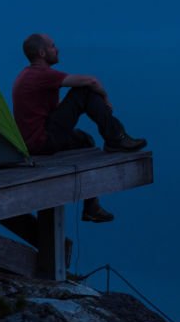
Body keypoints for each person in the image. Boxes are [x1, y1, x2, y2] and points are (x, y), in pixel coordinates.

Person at [12, 33, 147, 223]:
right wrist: (105, 98)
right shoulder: (41, 75)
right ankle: (117, 138)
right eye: (53, 46)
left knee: (84, 140)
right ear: (42, 53)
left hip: (33, 141)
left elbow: (51, 113)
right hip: (41, 141)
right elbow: (91, 81)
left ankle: (91, 207)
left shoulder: (28, 75)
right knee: (84, 91)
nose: (57, 49)